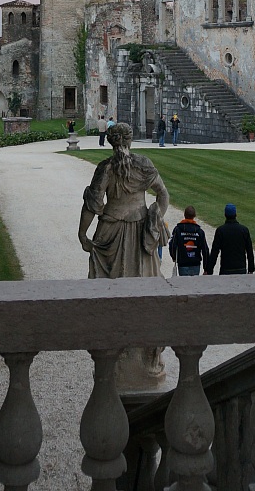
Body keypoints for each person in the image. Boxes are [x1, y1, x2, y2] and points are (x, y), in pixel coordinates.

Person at [78, 121, 169, 381]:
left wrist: (82, 233)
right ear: (130, 140)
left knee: (109, 294)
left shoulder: (105, 168)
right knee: (146, 290)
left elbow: (92, 206)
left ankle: (116, 359)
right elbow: (163, 194)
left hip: (111, 232)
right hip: (140, 231)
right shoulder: (143, 164)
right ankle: (146, 359)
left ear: (111, 141)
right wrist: (155, 218)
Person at [205, 204, 255, 275]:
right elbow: (249, 250)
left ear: (225, 215)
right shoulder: (244, 230)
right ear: (236, 214)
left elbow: (215, 252)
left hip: (226, 269)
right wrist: (251, 269)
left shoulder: (221, 230)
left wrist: (209, 270)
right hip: (240, 268)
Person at [169, 205, 209, 276]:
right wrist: (206, 268)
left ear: (184, 215)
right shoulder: (199, 231)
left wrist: (174, 257)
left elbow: (172, 245)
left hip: (182, 263)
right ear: (194, 215)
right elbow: (205, 250)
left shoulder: (178, 230)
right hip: (195, 263)